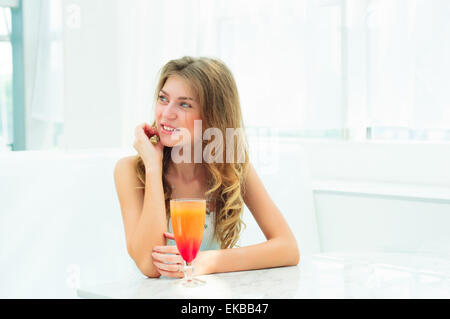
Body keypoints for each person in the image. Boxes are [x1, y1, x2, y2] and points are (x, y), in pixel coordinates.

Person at [114, 56, 299, 279]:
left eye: (184, 104)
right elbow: (148, 266)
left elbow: (288, 248)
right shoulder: (129, 171)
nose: (167, 113)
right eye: (163, 99)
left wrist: (208, 261)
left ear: (212, 117)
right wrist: (153, 167)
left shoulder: (232, 167)